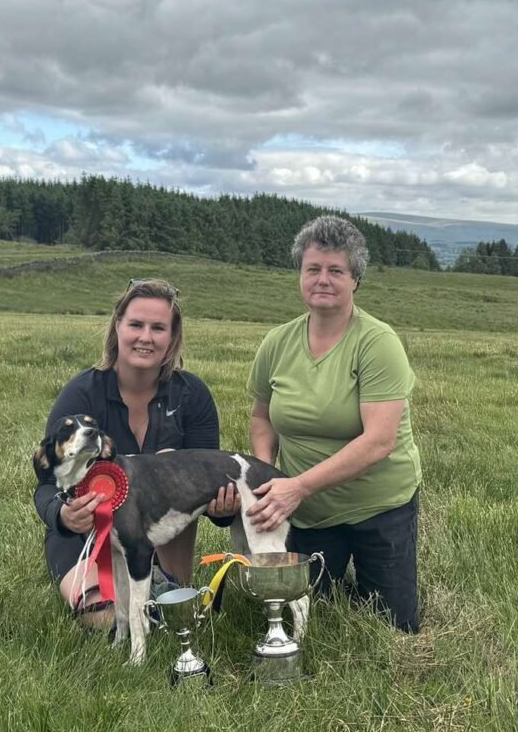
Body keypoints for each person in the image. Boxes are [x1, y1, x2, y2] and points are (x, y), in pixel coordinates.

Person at [245, 216, 422, 632]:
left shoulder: (378, 343)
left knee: (395, 627)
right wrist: (268, 473)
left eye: (336, 271)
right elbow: (261, 415)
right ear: (300, 275)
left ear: (355, 280)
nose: (322, 279)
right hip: (309, 513)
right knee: (311, 621)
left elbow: (379, 441)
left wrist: (298, 487)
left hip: (379, 506)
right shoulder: (277, 342)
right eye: (313, 269)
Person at [34, 278, 239, 626]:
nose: (146, 337)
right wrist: (63, 515)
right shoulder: (81, 395)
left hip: (164, 532)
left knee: (170, 617)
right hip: (86, 535)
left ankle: (169, 587)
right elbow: (45, 485)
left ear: (172, 336)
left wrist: (224, 510)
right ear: (118, 327)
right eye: (136, 325)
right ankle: (124, 594)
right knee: (104, 619)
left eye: (158, 328)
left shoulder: (192, 396)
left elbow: (207, 481)